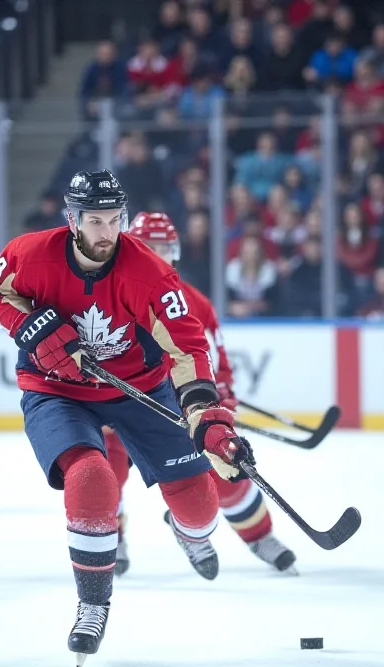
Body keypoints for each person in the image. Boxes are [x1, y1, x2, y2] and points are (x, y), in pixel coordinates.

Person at [0, 170, 250, 667]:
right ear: (72, 220)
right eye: (95, 221)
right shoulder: (29, 253)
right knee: (91, 477)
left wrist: (206, 414)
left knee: (200, 511)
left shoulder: (149, 274)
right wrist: (28, 327)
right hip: (56, 389)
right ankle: (92, 605)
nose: (106, 232)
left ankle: (186, 529)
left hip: (140, 390)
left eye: (114, 220)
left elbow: (187, 347)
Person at [108, 211, 297, 578]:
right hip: (118, 403)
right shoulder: (110, 289)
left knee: (225, 464)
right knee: (106, 470)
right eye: (147, 247)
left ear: (174, 250)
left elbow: (211, 355)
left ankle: (258, 535)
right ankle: (109, 536)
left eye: (162, 247)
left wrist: (219, 399)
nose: (155, 254)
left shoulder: (190, 301)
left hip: (179, 405)